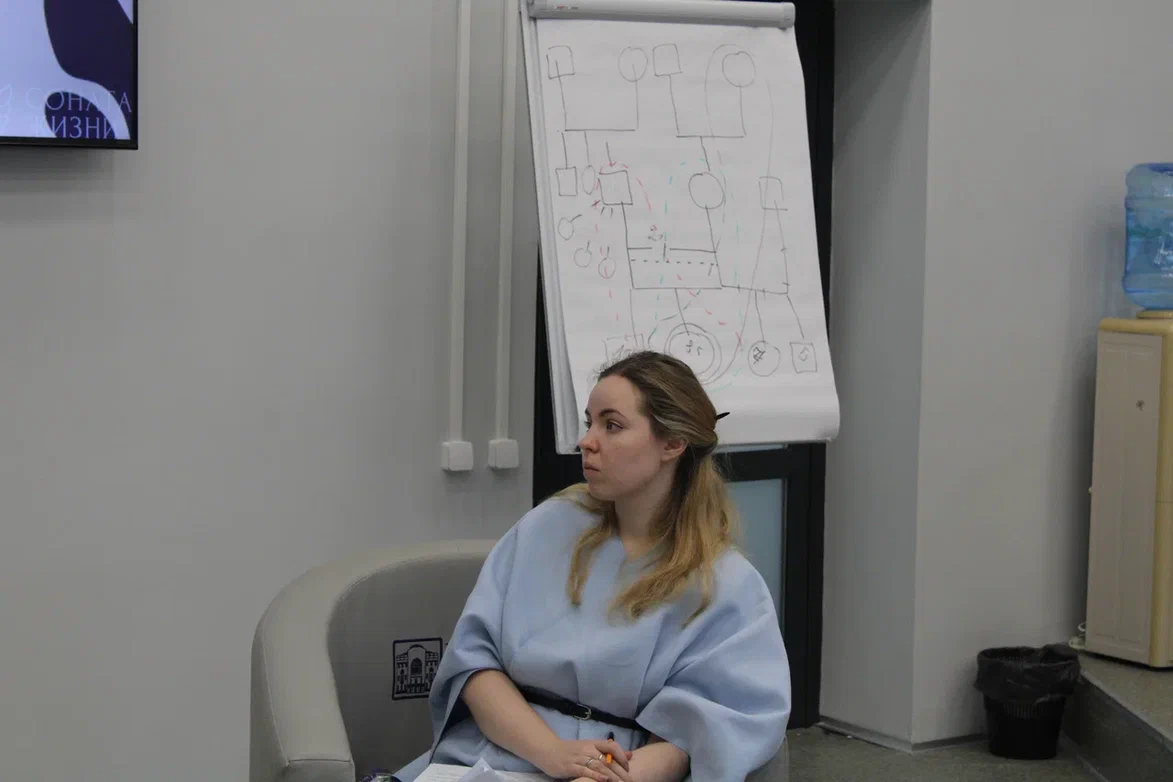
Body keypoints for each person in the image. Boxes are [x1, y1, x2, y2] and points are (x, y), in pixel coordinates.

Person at [394, 351, 790, 781]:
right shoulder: (546, 527)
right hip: (497, 753)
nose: (587, 441)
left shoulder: (725, 584)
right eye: (589, 424)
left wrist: (598, 776)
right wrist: (552, 753)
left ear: (673, 444)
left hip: (624, 771)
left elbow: (699, 734)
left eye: (611, 425)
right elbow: (474, 664)